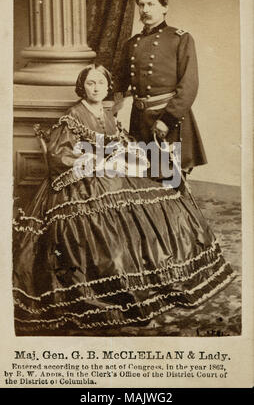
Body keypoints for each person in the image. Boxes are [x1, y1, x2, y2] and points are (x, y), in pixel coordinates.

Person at [13, 64, 235, 335]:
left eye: (101, 84)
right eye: (90, 84)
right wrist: (93, 161)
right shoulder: (73, 114)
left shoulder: (107, 113)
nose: (96, 89)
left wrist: (126, 153)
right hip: (85, 178)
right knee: (103, 221)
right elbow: (59, 154)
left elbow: (119, 141)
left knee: (160, 194)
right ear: (82, 87)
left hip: (112, 171)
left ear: (108, 88)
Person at [114, 0, 207, 174]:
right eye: (141, 5)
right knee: (141, 177)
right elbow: (119, 83)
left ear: (165, 8)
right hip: (139, 121)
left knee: (170, 179)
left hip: (167, 120)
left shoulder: (180, 39)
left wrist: (167, 119)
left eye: (151, 4)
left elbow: (189, 85)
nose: (145, 10)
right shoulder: (131, 44)